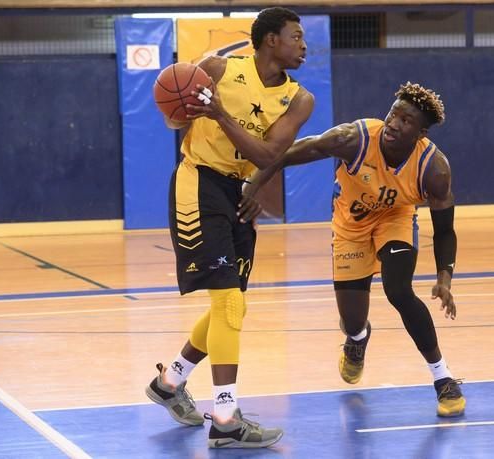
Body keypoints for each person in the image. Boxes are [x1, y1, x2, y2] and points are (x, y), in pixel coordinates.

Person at [145, 7, 314, 449]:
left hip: (238, 191)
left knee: (232, 306)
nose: (304, 45)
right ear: (270, 40)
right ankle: (225, 418)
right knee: (228, 303)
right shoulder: (218, 68)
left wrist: (253, 184)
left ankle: (169, 382)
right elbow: (173, 118)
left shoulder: (300, 99)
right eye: (296, 36)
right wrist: (184, 107)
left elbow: (267, 156)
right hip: (198, 181)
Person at [243, 82, 465, 417]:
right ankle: (358, 338)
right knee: (351, 320)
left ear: (420, 133)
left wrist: (444, 278)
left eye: (406, 122)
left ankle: (444, 378)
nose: (394, 123)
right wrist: (252, 185)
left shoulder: (434, 168)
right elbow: (291, 152)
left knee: (399, 291)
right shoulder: (354, 139)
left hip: (395, 218)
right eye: (394, 114)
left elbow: (445, 231)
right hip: (351, 225)